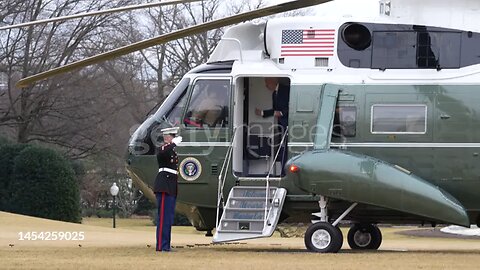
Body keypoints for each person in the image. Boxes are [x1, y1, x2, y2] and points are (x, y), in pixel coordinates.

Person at [154, 127, 182, 252]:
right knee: (164, 217)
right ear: (166, 137)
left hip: (170, 186)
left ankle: (166, 245)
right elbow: (162, 152)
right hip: (164, 184)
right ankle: (161, 245)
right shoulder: (163, 149)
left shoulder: (172, 151)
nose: (174, 138)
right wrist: (173, 143)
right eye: (172, 136)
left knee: (168, 218)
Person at [255, 77, 290, 174]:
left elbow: (290, 104)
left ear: (272, 82)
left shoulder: (286, 90)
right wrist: (263, 113)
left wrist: (282, 113)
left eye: (267, 83)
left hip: (289, 124)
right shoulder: (274, 94)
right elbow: (275, 110)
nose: (266, 86)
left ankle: (284, 172)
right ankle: (282, 171)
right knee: (282, 147)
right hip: (281, 125)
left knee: (285, 148)